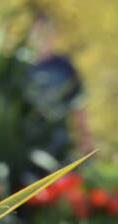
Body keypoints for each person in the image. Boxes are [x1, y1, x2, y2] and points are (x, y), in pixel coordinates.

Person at [27, 12, 92, 156]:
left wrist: (85, 139)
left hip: (60, 144)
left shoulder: (64, 66)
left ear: (54, 35)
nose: (44, 39)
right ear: (32, 34)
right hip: (27, 147)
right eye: (39, 33)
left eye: (48, 33)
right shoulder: (21, 67)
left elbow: (79, 105)